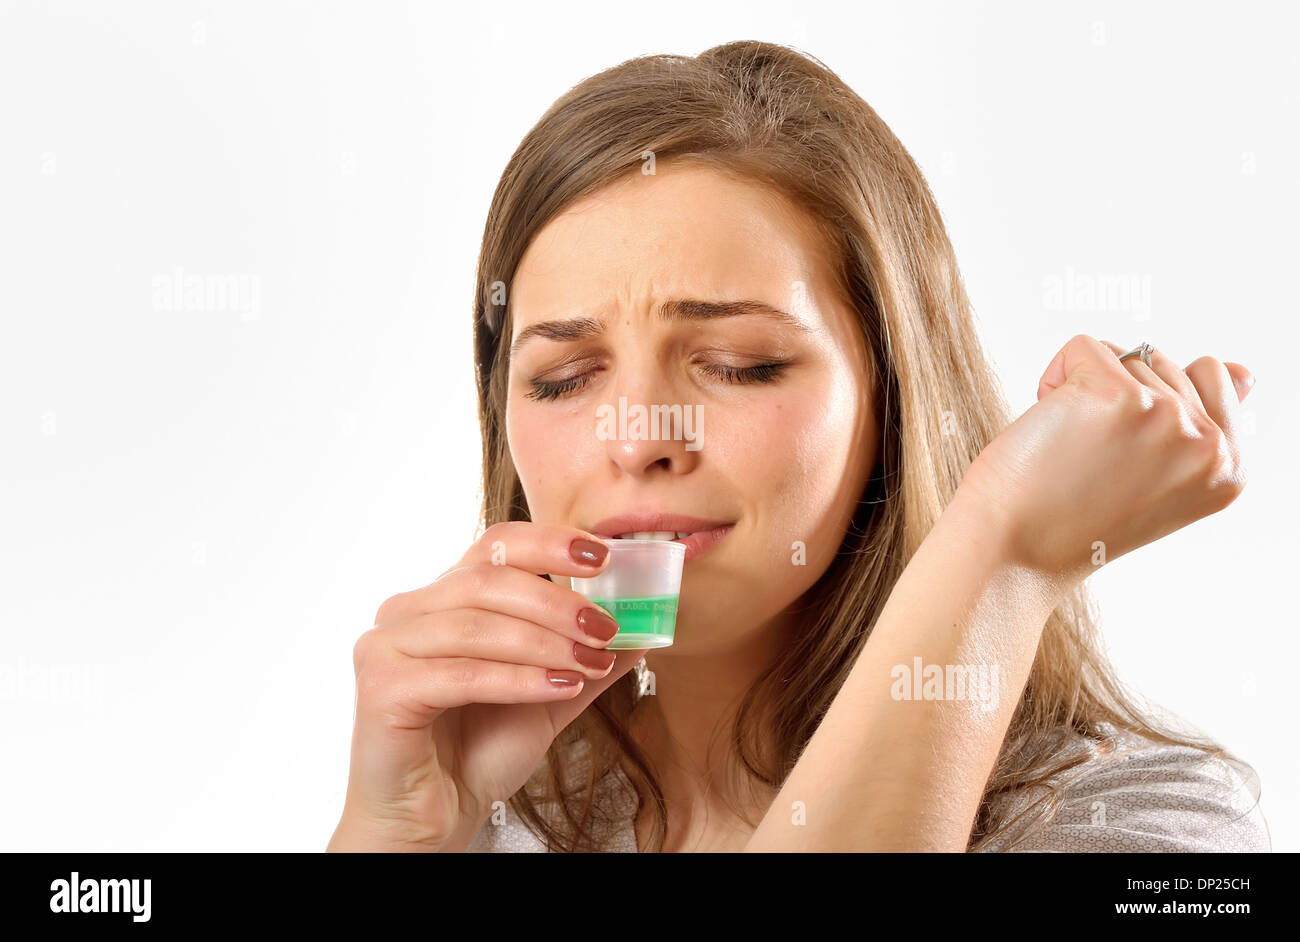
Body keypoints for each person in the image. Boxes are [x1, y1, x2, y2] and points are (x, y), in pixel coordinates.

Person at [327, 41, 1268, 853]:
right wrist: (393, 838)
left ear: (895, 396)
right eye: (566, 379)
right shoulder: (490, 813)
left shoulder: (1142, 823)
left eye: (739, 365)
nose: (639, 437)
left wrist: (1002, 554)